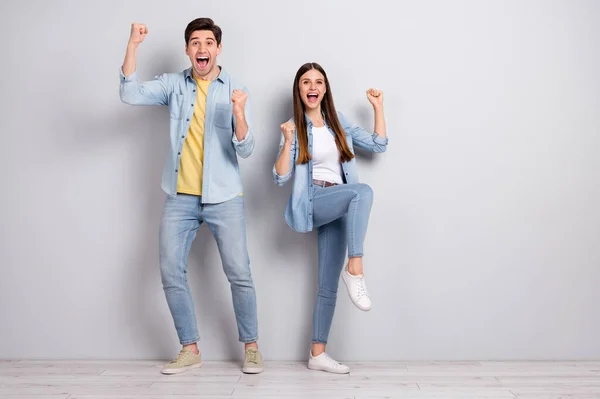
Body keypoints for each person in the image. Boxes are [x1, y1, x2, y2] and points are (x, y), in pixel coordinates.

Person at [119, 18, 263, 375]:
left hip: (225, 196)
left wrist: (240, 113)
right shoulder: (174, 85)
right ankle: (190, 348)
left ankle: (252, 347)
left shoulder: (235, 88)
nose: (202, 49)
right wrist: (134, 45)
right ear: (188, 50)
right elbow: (129, 93)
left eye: (209, 42)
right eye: (195, 43)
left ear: (218, 49)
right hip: (180, 196)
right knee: (170, 270)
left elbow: (245, 149)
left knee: (239, 273)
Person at [273, 62, 388, 373]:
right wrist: (286, 143)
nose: (313, 87)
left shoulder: (338, 122)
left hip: (340, 203)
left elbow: (379, 144)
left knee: (327, 285)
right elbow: (280, 177)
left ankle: (317, 353)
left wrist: (377, 107)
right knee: (362, 192)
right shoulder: (294, 127)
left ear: (325, 89)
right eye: (307, 82)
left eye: (319, 82)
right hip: (314, 200)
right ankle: (357, 268)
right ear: (299, 89)